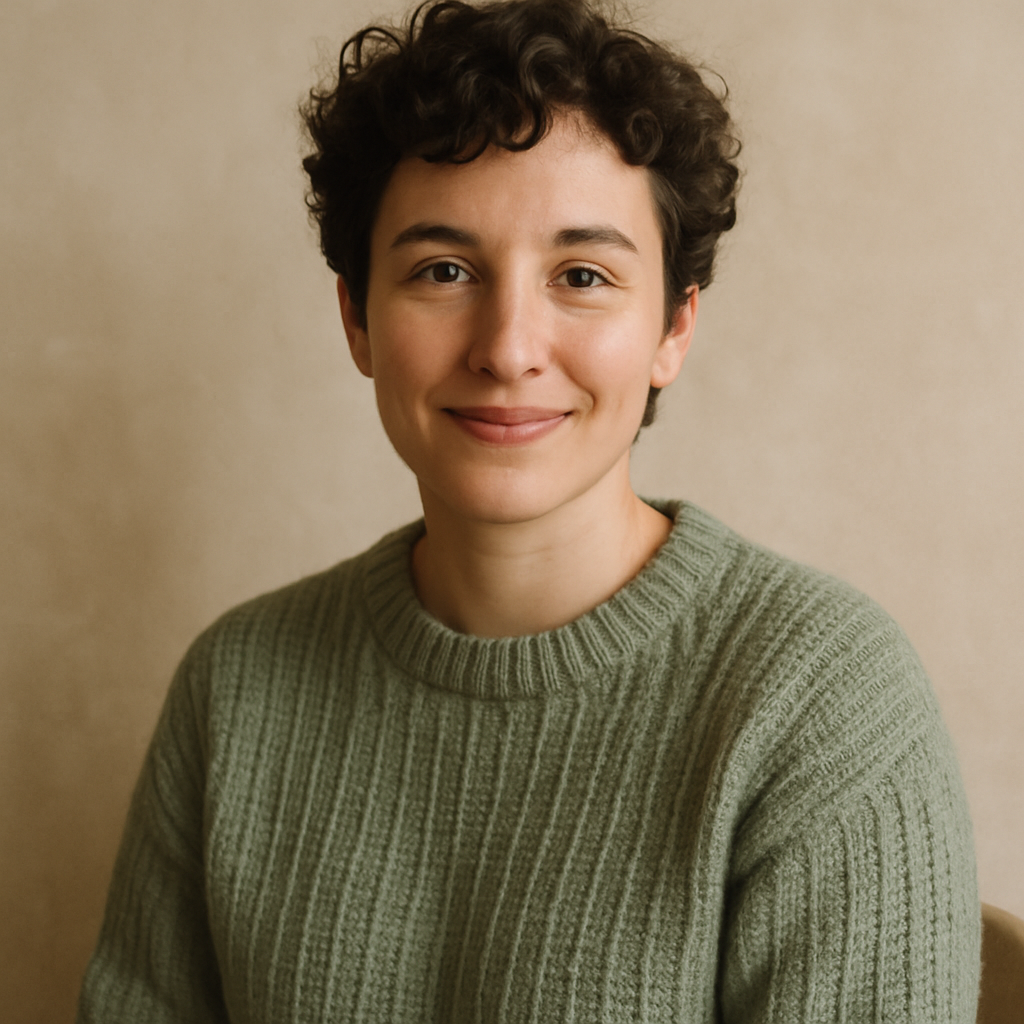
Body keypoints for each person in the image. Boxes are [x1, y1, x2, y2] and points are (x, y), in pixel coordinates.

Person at [76, 0, 981, 1020]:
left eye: (582, 275)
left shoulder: (821, 706)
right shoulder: (233, 690)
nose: (507, 347)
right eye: (443, 270)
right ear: (357, 318)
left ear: (673, 327)